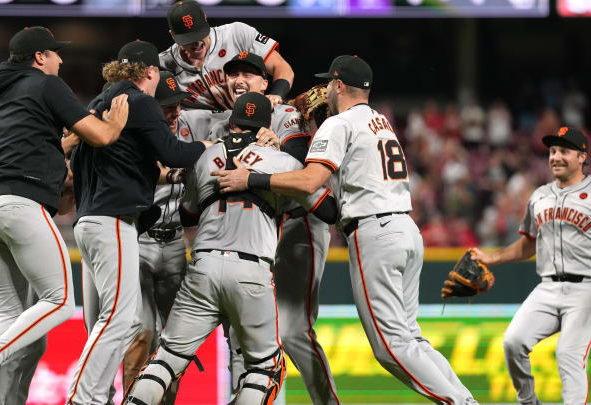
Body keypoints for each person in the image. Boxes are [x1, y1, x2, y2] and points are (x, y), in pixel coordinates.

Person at [214, 55, 477, 404]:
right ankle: (464, 398)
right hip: (405, 228)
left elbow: (310, 181)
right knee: (410, 338)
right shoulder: (380, 120)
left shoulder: (338, 124)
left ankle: (462, 402)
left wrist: (252, 177)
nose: (324, 91)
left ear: (338, 85)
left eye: (328, 84)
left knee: (390, 347)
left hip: (375, 231)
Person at [122, 92, 337, 405]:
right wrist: (268, 182)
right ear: (266, 126)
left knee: (167, 358)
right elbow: (327, 211)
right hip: (252, 271)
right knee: (265, 369)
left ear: (232, 122)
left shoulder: (206, 156)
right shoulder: (282, 161)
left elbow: (187, 216)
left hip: (203, 268)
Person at [0, 26, 129, 405]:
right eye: (55, 53)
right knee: (60, 300)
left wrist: (62, 144)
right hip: (19, 208)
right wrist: (115, 124)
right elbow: (99, 136)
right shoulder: (46, 84)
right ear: (39, 57)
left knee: (7, 313)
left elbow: (35, 142)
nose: (61, 59)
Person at [66, 40, 211, 405]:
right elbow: (172, 151)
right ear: (151, 72)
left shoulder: (99, 104)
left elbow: (115, 164)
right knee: (120, 320)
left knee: (118, 321)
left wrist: (167, 177)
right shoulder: (140, 100)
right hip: (112, 219)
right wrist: (207, 148)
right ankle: (83, 397)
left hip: (89, 219)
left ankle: (95, 396)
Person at [211, 53, 340, 403]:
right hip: (259, 234)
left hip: (300, 223)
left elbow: (303, 169)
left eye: (250, 75)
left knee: (294, 330)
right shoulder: (223, 121)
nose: (240, 80)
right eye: (233, 73)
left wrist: (274, 146)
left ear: (266, 83)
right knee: (244, 330)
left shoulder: (284, 115)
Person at [471, 126, 591, 405]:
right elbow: (527, 245)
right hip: (547, 287)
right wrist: (492, 258)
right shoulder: (539, 196)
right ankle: (528, 402)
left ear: (582, 157)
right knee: (513, 341)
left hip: (586, 288)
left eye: (564, 151)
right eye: (552, 151)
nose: (556, 157)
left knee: (568, 354)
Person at [160, 0, 294, 110]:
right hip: (207, 134)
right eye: (189, 38)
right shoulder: (163, 65)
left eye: (200, 34)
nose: (197, 42)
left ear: (206, 20)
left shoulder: (236, 34)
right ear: (172, 35)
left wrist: (276, 94)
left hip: (253, 118)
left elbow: (281, 66)